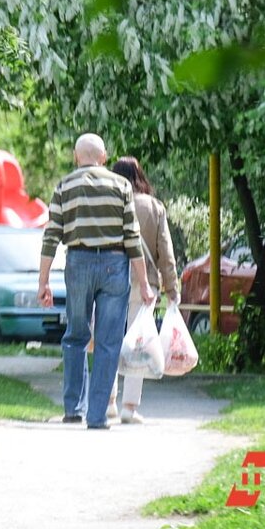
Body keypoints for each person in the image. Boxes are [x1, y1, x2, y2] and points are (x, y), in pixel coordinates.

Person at [38, 133, 155, 430]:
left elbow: (51, 235)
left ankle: (73, 408)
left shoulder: (64, 186)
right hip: (116, 265)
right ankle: (97, 415)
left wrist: (44, 281)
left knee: (76, 336)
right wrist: (144, 282)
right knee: (108, 341)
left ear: (77, 157)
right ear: (104, 158)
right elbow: (132, 237)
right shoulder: (121, 186)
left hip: (78, 262)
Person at [108, 156, 180, 424]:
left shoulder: (110, 204)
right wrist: (172, 287)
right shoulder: (154, 207)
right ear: (140, 176)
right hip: (144, 284)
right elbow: (166, 252)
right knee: (138, 342)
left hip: (110, 278)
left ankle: (108, 401)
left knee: (109, 339)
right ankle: (129, 406)